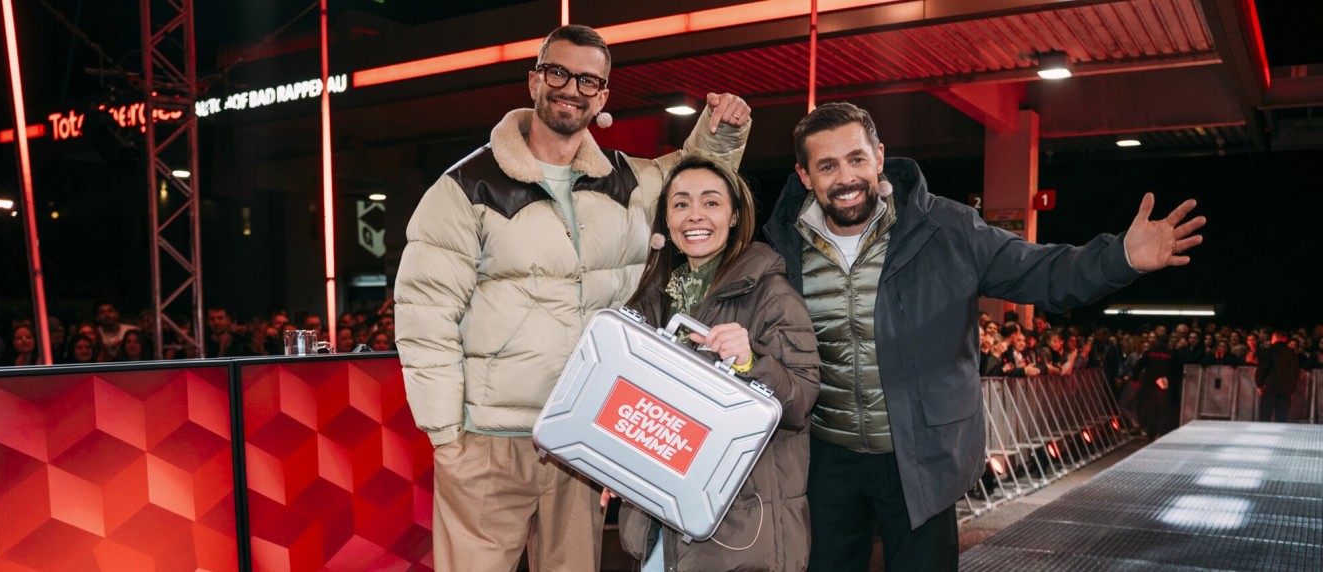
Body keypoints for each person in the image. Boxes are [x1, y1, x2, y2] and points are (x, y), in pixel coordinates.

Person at [762, 101, 1204, 571]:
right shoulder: (781, 248)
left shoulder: (947, 230)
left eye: (856, 159)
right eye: (827, 166)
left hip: (922, 459)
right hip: (825, 461)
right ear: (805, 176)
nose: (846, 177)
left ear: (879, 157)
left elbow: (1043, 272)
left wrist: (1122, 259)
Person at [394, 23, 751, 571]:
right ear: (534, 79)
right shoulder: (466, 187)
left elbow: (692, 184)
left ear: (603, 96)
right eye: (558, 73)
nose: (572, 89)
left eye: (589, 80)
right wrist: (447, 437)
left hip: (582, 437)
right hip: (488, 439)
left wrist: (721, 131)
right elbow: (425, 316)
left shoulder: (625, 181)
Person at [612, 155, 820, 571]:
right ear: (667, 221)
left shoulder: (770, 293)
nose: (695, 216)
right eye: (681, 204)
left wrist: (751, 360)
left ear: (734, 215)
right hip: (662, 520)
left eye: (711, 203)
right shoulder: (655, 297)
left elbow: (801, 401)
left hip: (742, 527)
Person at [1255, 330, 1301, 422]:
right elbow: (1296, 371)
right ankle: (1282, 434)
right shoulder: (1291, 353)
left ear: (1275, 338)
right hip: (1286, 388)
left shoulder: (1269, 351)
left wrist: (1259, 384)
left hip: (1270, 386)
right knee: (1282, 416)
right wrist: (1292, 388)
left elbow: (1263, 368)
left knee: (1265, 414)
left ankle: (1263, 434)